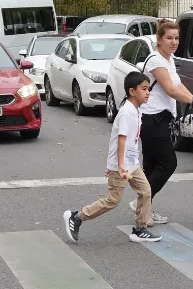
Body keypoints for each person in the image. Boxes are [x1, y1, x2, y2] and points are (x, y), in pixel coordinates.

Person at [64, 72, 159, 244]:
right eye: (144, 89)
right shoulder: (126, 112)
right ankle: (77, 217)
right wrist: (120, 165)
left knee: (145, 192)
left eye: (148, 89)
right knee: (112, 200)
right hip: (121, 165)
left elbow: (132, 140)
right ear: (132, 91)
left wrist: (133, 162)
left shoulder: (135, 110)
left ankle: (140, 229)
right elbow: (121, 139)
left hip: (132, 164)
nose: (147, 93)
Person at [130, 19, 193, 224]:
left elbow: (178, 86)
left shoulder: (169, 59)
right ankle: (142, 202)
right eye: (169, 38)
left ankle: (145, 210)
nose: (174, 42)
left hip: (161, 119)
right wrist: (191, 100)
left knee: (152, 166)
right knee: (168, 163)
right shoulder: (156, 61)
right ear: (159, 39)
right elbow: (170, 90)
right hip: (151, 119)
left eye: (176, 38)